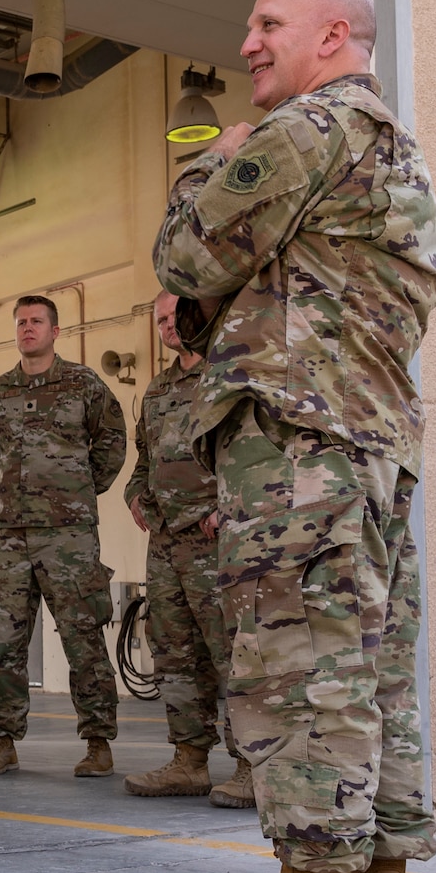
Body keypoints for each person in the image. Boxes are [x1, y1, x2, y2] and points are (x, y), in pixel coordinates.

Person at [156, 0, 436, 873]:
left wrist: (212, 166)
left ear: (331, 35)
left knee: (301, 666)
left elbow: (186, 256)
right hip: (369, 441)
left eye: (263, 21)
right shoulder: (392, 147)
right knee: (368, 670)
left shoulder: (303, 131)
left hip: (298, 445)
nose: (244, 42)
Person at [0, 295, 128, 778]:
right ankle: (4, 741)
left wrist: (79, 491)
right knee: (4, 639)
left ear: (55, 331)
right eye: (20, 322)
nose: (27, 328)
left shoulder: (83, 383)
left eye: (36, 321)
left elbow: (112, 441)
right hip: (10, 534)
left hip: (69, 537)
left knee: (83, 638)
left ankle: (98, 742)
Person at [122, 292, 251, 808]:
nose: (169, 326)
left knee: (232, 653)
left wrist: (228, 506)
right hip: (166, 544)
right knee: (174, 655)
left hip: (214, 540)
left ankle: (251, 765)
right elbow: (142, 463)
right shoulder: (156, 391)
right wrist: (135, 495)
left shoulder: (229, 377)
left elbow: (247, 452)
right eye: (160, 319)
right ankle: (188, 763)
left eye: (176, 315)